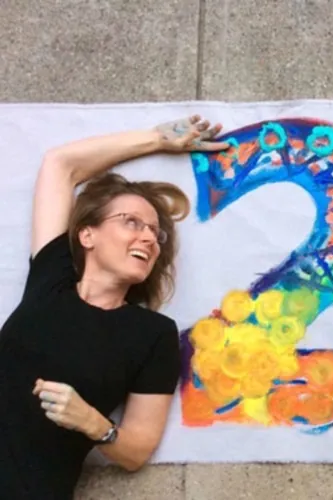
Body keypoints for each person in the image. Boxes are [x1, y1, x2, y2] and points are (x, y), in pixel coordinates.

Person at [0, 115, 229, 498]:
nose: (149, 238)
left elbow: (136, 451)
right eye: (131, 222)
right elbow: (60, 165)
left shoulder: (152, 335)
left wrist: (92, 423)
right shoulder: (51, 277)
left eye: (155, 232)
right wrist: (157, 139)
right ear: (87, 235)